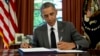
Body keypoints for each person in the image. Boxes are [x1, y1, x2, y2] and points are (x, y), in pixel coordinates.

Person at [21, 2, 89, 50]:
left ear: (56, 12)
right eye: (46, 16)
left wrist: (72, 45)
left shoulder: (68, 26)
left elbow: (85, 43)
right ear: (42, 17)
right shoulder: (38, 31)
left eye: (51, 14)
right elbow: (34, 47)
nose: (49, 18)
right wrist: (28, 47)